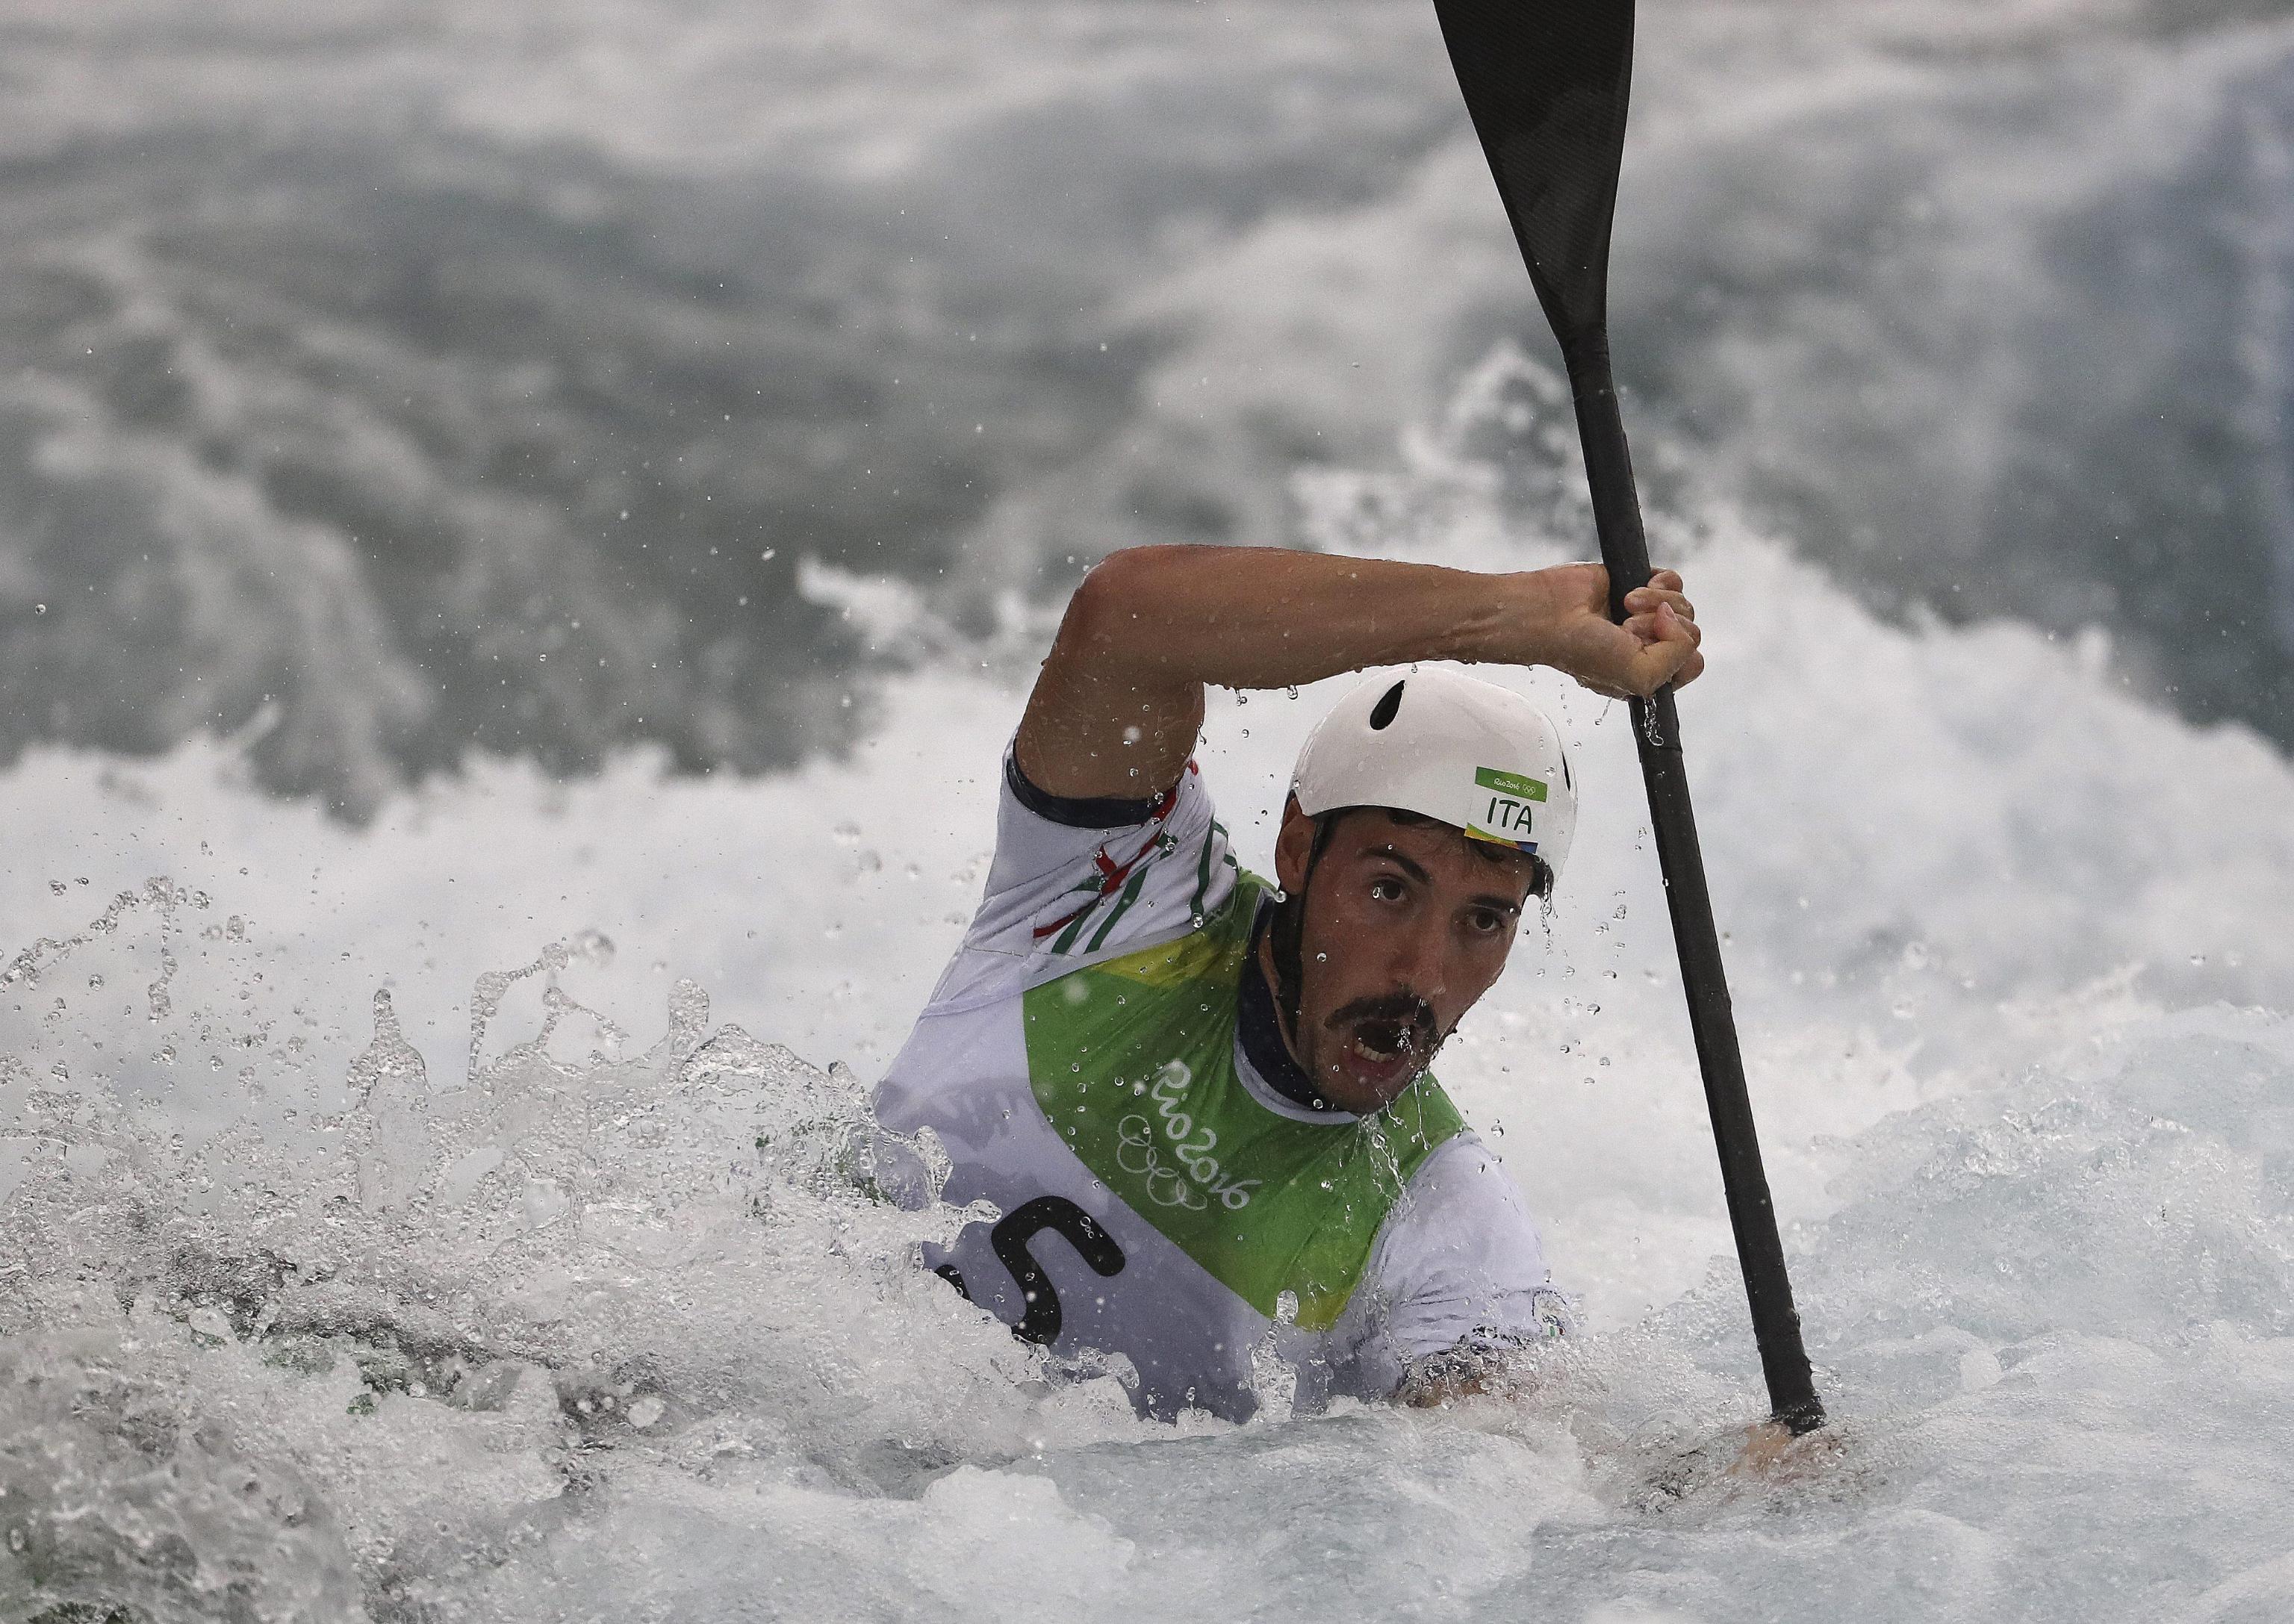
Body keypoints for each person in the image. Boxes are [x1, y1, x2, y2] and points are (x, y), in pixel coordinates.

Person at [871, 544, 1703, 1419]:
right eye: (1390, 890)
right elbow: (1126, 616)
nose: (1423, 975)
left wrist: (1722, 1483)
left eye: (1483, 920)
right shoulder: (1114, 897)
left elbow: (1524, 1474)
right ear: (1299, 848)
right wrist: (1515, 621)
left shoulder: (1437, 1216)